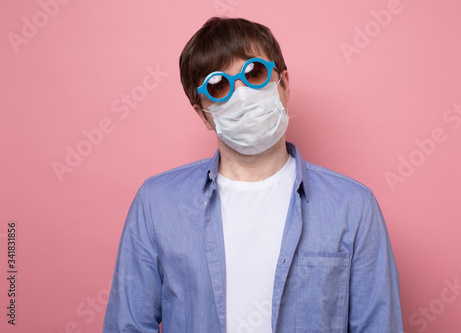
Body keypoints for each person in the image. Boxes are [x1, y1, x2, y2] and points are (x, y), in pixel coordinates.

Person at [103, 17, 404, 333]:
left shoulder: (352, 207)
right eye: (219, 86)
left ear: (283, 84)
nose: (242, 95)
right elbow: (128, 326)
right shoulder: (157, 203)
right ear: (202, 113)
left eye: (255, 73)